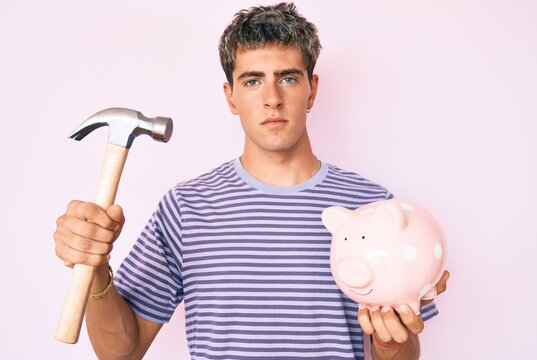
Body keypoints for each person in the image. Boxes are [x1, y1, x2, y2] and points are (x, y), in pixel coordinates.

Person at [54, 3, 449, 359]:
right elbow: (121, 353)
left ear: (312, 90)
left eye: (289, 78)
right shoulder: (187, 206)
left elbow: (401, 348)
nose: (272, 98)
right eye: (252, 80)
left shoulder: (372, 206)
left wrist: (390, 343)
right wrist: (97, 268)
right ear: (230, 97)